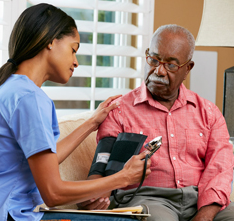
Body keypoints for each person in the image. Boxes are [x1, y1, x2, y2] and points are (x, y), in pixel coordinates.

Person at [0, 3, 152, 221]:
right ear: (51, 41)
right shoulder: (30, 98)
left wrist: (92, 123)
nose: (76, 62)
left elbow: (45, 161)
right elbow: (53, 193)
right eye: (73, 49)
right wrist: (123, 177)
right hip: (6, 214)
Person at [78, 24, 234, 221]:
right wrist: (92, 194)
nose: (158, 71)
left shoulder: (209, 113)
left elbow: (220, 168)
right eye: (153, 59)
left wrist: (205, 215)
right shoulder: (119, 110)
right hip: (147, 199)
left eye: (170, 65)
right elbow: (101, 165)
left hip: (200, 199)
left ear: (187, 68)